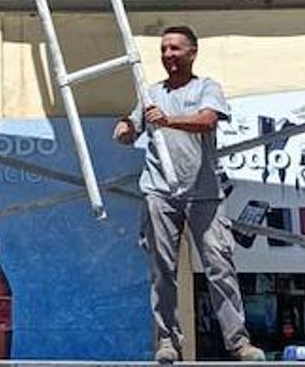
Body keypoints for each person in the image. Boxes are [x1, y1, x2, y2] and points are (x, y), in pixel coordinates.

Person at [113, 26, 265, 363]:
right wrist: (125, 128)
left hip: (204, 193)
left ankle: (239, 344)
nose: (168, 55)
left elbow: (207, 121)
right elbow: (132, 125)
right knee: (162, 270)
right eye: (164, 49)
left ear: (192, 52)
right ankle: (167, 342)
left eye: (175, 49)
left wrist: (167, 121)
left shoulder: (206, 87)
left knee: (219, 266)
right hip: (160, 191)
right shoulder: (151, 92)